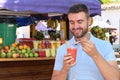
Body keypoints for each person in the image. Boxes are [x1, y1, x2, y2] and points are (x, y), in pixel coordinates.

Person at [51, 3, 120, 80]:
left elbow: (116, 78)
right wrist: (64, 70)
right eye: (72, 22)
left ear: (89, 21)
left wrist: (95, 55)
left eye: (80, 22)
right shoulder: (62, 49)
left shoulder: (105, 46)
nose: (75, 26)